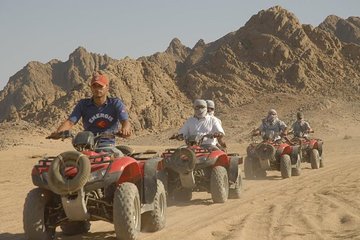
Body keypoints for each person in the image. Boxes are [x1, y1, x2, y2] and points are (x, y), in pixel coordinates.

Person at [48, 72, 131, 155]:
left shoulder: (115, 103)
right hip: (88, 145)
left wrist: (125, 129)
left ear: (107, 88)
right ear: (91, 88)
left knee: (118, 158)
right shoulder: (83, 104)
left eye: (100, 86)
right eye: (94, 86)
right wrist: (58, 132)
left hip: (107, 145)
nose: (97, 89)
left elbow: (125, 121)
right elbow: (70, 122)